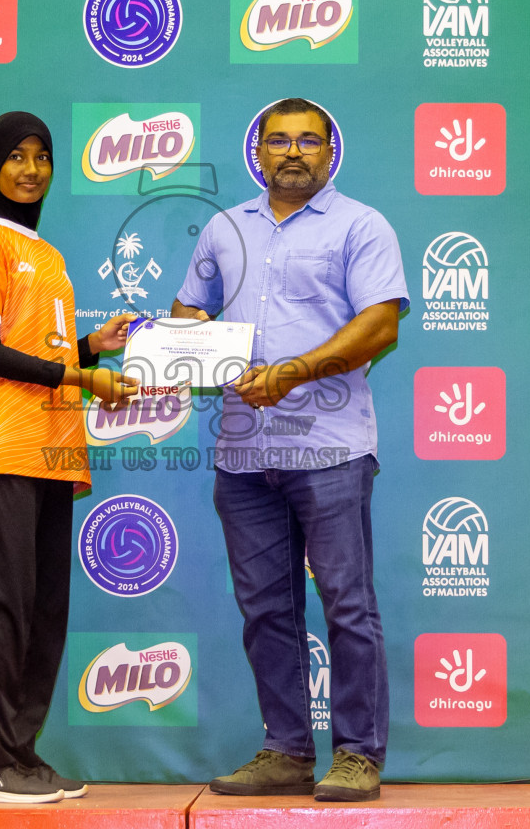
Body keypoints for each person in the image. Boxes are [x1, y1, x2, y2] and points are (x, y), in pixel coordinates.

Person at [172, 98, 407, 803]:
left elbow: (379, 329)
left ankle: (359, 754)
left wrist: (295, 372)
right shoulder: (224, 228)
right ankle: (285, 749)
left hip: (331, 452)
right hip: (243, 455)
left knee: (346, 604)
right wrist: (181, 343)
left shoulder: (361, 226)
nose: (294, 152)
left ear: (331, 153)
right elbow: (191, 311)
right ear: (260, 153)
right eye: (279, 141)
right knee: (266, 610)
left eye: (309, 141)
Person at [0, 110, 138, 804]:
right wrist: (82, 378)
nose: (31, 169)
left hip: (56, 452)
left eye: (42, 157)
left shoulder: (47, 254)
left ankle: (20, 756)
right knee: (2, 606)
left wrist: (92, 348)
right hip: (4, 447)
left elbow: (45, 351)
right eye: (16, 156)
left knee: (41, 610)